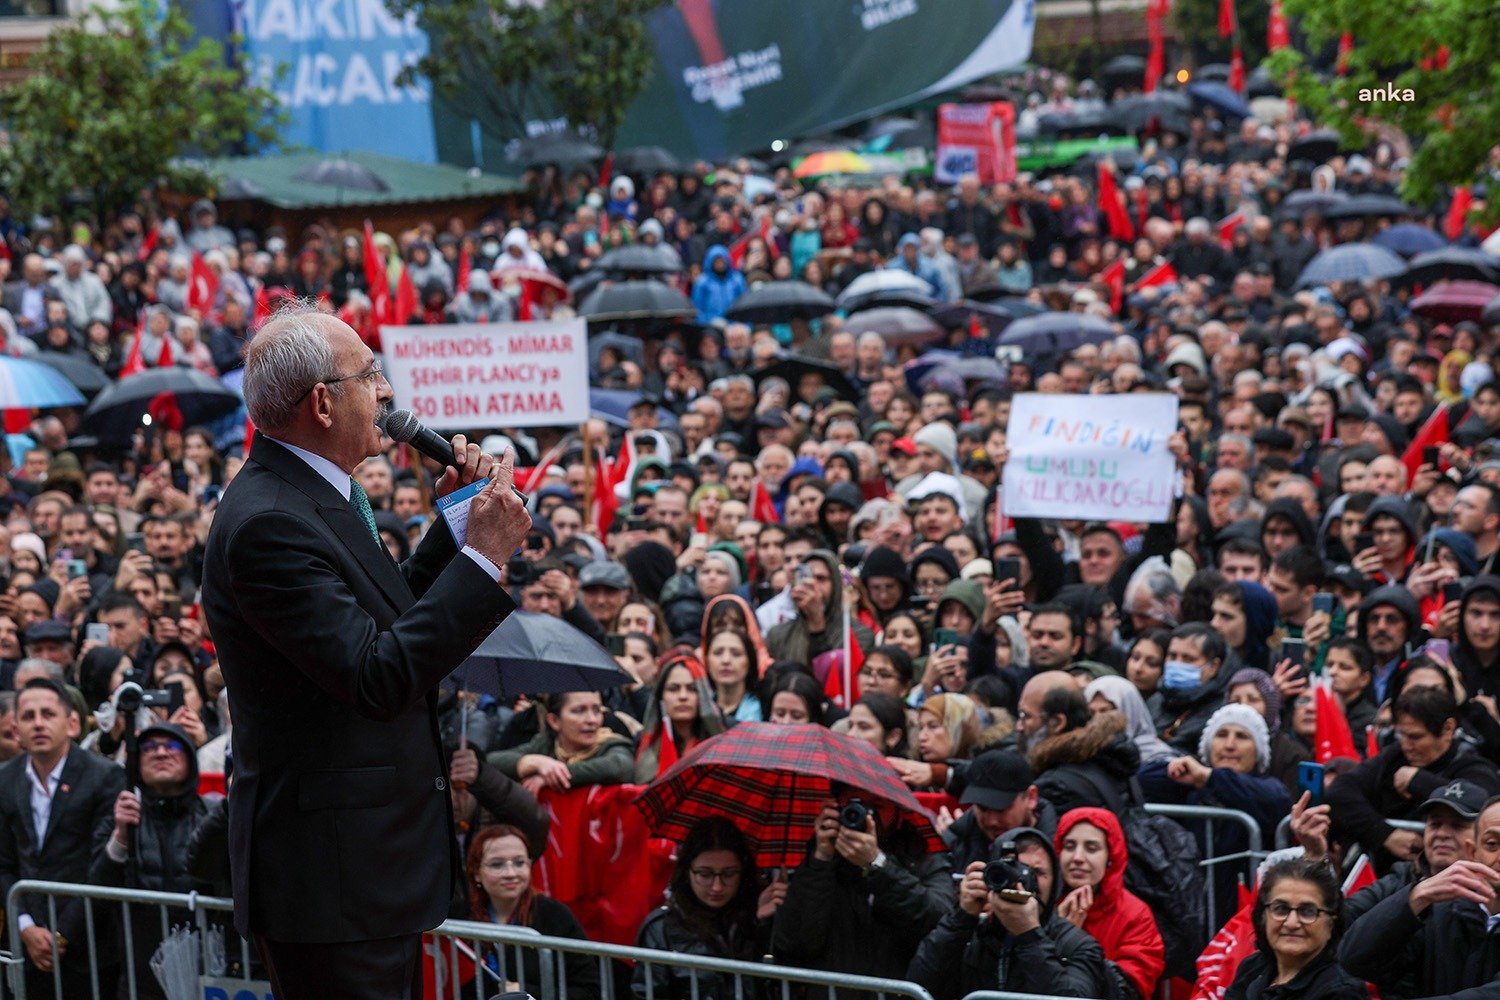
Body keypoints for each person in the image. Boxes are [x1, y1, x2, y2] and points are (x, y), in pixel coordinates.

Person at [201, 306, 532, 997]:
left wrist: (454, 533)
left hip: (361, 878)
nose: (386, 393)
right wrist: (484, 557)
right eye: (371, 374)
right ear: (322, 402)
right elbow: (377, 677)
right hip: (331, 885)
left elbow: (383, 627)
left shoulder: (318, 497)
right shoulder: (270, 522)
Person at [0, 678, 126, 997]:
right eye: (28, 716)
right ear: (16, 730)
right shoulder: (5, 780)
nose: (38, 723)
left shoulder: (104, 776)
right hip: (25, 948)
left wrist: (61, 935)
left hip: (88, 949)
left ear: (71, 724)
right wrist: (26, 928)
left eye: (48, 714)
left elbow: (103, 866)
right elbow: (3, 863)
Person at [906, 825, 1111, 998]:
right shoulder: (972, 936)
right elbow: (920, 986)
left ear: (1055, 882)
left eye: (1037, 873)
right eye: (1015, 869)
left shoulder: (1077, 945)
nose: (1023, 880)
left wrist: (1029, 935)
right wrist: (962, 917)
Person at [771, 787, 953, 981]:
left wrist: (878, 865)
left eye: (876, 806)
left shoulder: (923, 858)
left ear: (898, 811)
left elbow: (940, 921)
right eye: (855, 805)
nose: (867, 816)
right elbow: (795, 943)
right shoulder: (818, 857)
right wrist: (821, 859)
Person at [89, 720, 214, 1000]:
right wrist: (121, 837)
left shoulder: (212, 814)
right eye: (149, 748)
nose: (160, 753)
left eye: (172, 745)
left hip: (205, 963)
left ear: (190, 760)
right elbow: (97, 890)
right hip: (139, 970)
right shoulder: (119, 817)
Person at [1338, 795, 1500, 998]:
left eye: (1457, 825)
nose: (1442, 834)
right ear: (1473, 852)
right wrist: (1416, 896)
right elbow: (1356, 960)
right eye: (1493, 844)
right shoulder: (1436, 910)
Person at [1327, 686, 1500, 874]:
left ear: (1448, 728)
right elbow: (1340, 790)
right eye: (1402, 735)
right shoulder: (1394, 758)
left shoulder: (1474, 767)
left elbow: (1481, 803)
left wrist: (1418, 781)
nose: (1406, 745)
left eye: (1416, 737)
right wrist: (1385, 834)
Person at [634, 817, 784, 999]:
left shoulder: (759, 917)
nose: (717, 887)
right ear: (687, 871)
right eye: (705, 874)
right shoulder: (660, 929)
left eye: (729, 874)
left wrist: (764, 926)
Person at [466, 824, 599, 999]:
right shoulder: (462, 918)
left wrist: (529, 994)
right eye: (497, 864)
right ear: (476, 872)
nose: (511, 873)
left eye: (519, 862)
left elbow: (590, 991)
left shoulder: (555, 915)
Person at [1053, 807, 1166, 1000]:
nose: (1077, 857)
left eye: (1092, 848)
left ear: (1110, 857)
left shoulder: (1136, 915)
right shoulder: (1042, 903)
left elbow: (1131, 989)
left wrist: (1072, 942)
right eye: (1070, 846)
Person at [1223, 857, 1369, 999]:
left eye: (1308, 911)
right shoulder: (1252, 968)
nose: (1292, 923)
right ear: (1263, 916)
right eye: (1281, 909)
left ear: (1331, 922)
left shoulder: (1342, 992)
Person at [488, 691, 636, 793]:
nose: (592, 720)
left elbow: (619, 767)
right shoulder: (546, 744)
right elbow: (490, 761)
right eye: (579, 710)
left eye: (597, 710)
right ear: (554, 721)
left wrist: (554, 775)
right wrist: (533, 762)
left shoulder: (610, 744)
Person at [942, 748, 1059, 869]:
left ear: (1031, 797)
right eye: (982, 808)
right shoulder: (956, 842)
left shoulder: (1062, 848)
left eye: (1001, 809)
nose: (991, 821)